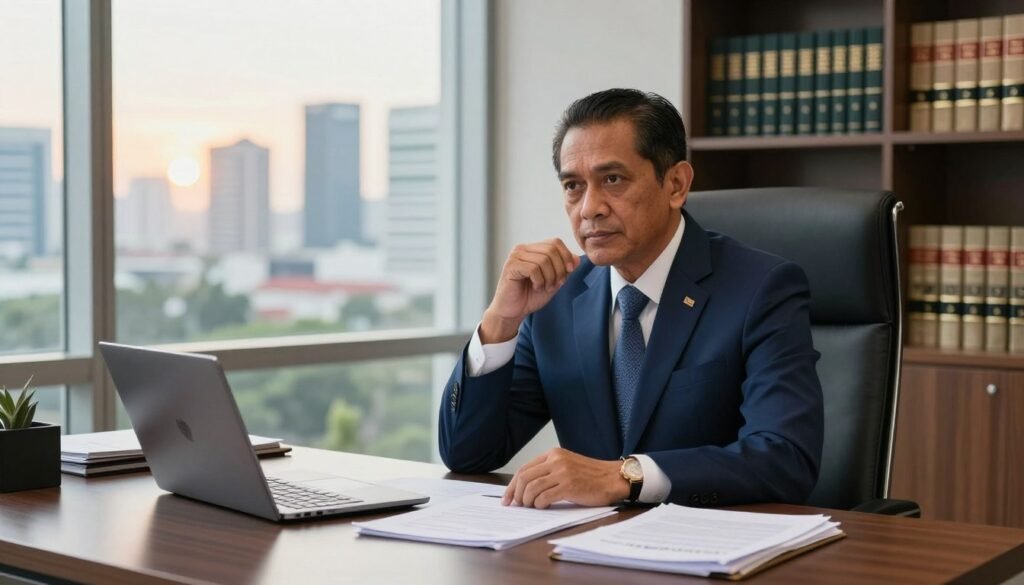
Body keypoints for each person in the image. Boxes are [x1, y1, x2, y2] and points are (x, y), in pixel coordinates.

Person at [438, 88, 823, 509]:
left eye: (613, 180)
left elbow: (785, 458)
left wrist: (628, 476)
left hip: (712, 552)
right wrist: (500, 321)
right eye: (573, 186)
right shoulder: (556, 298)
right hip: (585, 550)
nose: (589, 208)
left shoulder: (761, 289)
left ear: (676, 184)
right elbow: (468, 454)